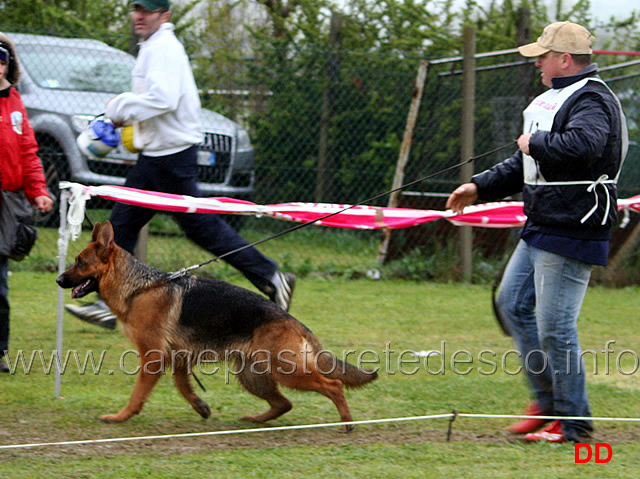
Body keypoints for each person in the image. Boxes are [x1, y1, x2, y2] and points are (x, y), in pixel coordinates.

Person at [446, 21, 627, 443]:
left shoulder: (592, 100)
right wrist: (479, 186)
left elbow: (584, 146)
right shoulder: (552, 98)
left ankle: (574, 424)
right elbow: (524, 162)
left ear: (564, 59)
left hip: (573, 226)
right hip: (544, 222)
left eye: (542, 57)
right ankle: (546, 403)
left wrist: (535, 144)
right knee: (512, 304)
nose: (537, 65)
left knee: (556, 328)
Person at [65, 0, 295, 329]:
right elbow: (156, 101)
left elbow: (163, 99)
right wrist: (121, 121)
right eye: (136, 9)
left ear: (165, 15)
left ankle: (271, 275)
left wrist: (119, 108)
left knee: (159, 226)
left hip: (170, 157)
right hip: (161, 155)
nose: (139, 16)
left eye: (147, 10)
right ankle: (108, 302)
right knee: (127, 224)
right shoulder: (153, 47)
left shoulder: (164, 48)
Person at [0, 33, 54, 372]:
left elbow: (28, 153)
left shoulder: (15, 103)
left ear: (9, 65)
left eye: (1, 59)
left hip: (7, 204)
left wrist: (39, 191)